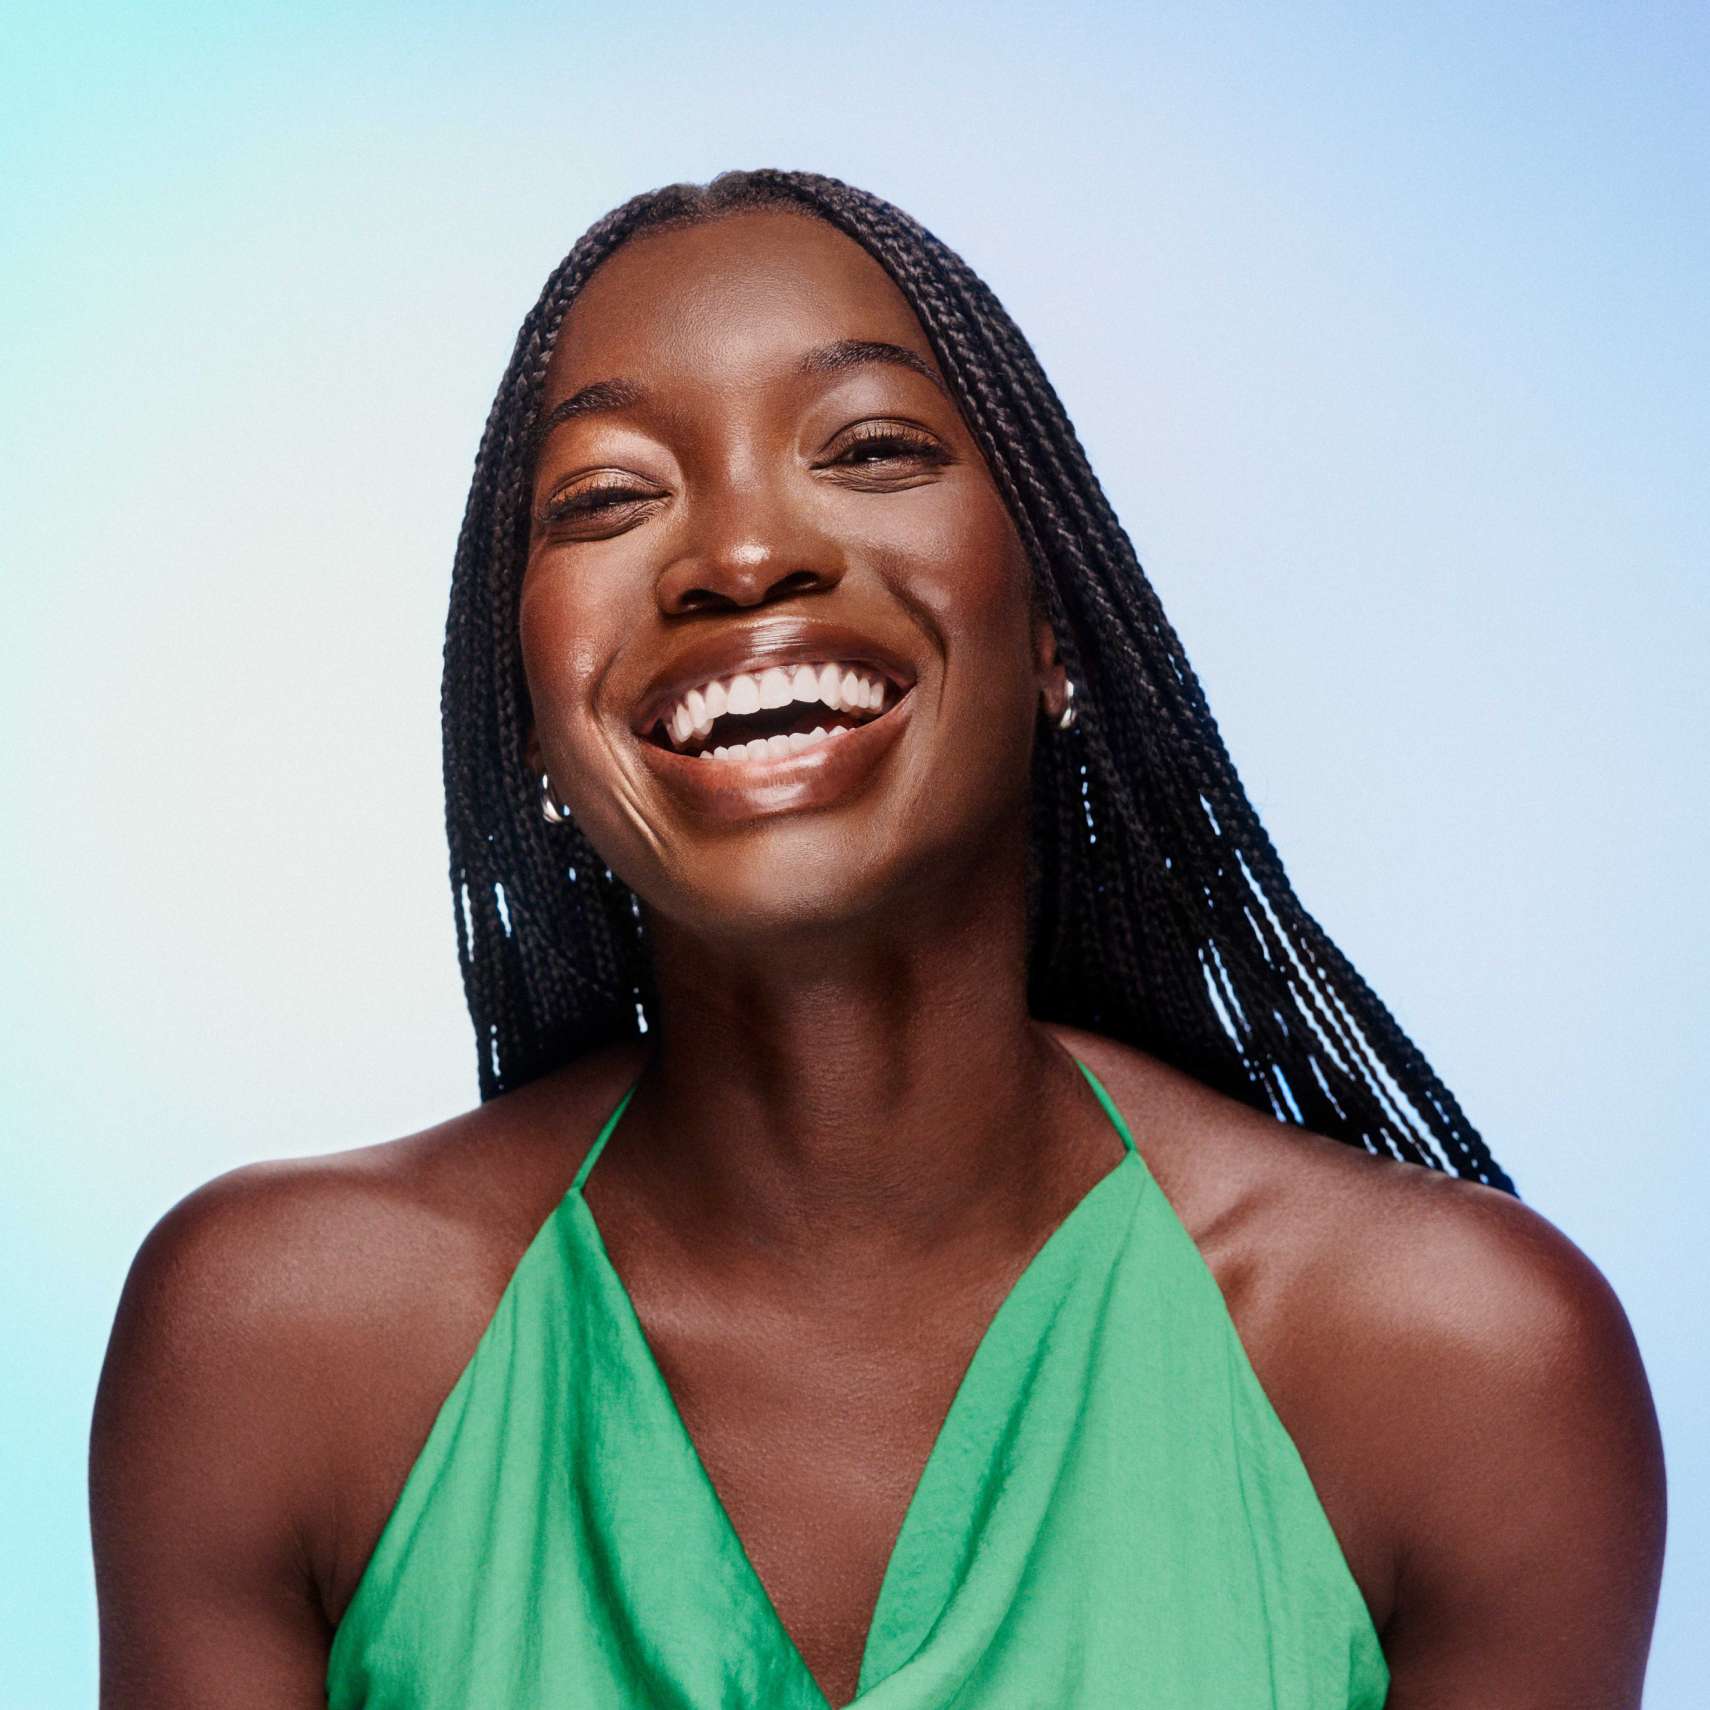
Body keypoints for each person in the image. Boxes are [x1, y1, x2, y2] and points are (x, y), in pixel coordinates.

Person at [90, 170, 1665, 1708]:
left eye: (871, 446)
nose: (742, 553)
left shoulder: (1452, 1372)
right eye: (611, 497)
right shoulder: (277, 1354)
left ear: (1056, 634)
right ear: (528, 727)